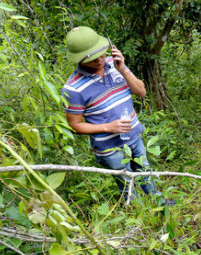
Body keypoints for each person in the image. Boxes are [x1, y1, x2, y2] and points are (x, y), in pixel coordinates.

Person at [61, 26, 168, 204]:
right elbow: (75, 125)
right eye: (93, 58)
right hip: (110, 149)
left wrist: (124, 70)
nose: (100, 60)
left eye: (102, 53)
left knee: (145, 172)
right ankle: (137, 215)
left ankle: (158, 203)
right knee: (126, 183)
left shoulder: (115, 65)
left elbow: (141, 92)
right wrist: (108, 127)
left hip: (135, 137)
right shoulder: (73, 89)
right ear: (79, 59)